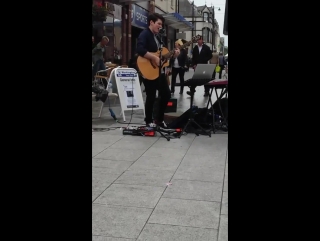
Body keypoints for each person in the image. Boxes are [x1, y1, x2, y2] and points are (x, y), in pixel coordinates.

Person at [136, 13, 180, 127]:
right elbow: (140, 49)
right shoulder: (145, 34)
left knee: (166, 94)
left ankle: (159, 119)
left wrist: (174, 55)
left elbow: (164, 56)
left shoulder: (159, 38)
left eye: (162, 24)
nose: (160, 26)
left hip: (158, 72)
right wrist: (154, 57)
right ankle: (148, 121)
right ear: (151, 22)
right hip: (148, 70)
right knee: (151, 96)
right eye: (158, 23)